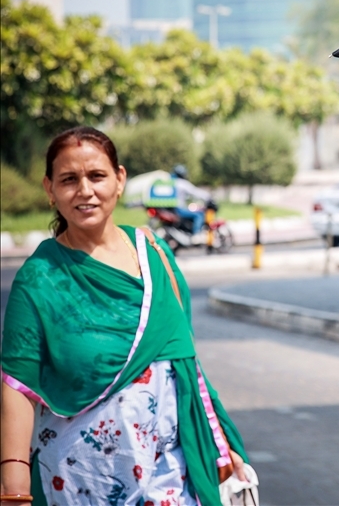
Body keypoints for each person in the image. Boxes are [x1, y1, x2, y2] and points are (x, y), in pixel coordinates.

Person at [0, 127, 247, 506]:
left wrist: (220, 442)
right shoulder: (40, 278)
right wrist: (14, 489)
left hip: (170, 478)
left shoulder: (154, 255)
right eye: (69, 179)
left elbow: (186, 365)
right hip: (80, 481)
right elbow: (17, 387)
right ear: (49, 190)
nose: (85, 190)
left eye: (97, 176)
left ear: (119, 179)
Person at [170, 164, 211, 235]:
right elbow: (195, 192)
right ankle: (196, 235)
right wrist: (208, 196)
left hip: (169, 209)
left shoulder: (170, 182)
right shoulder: (182, 183)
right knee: (199, 215)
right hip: (178, 209)